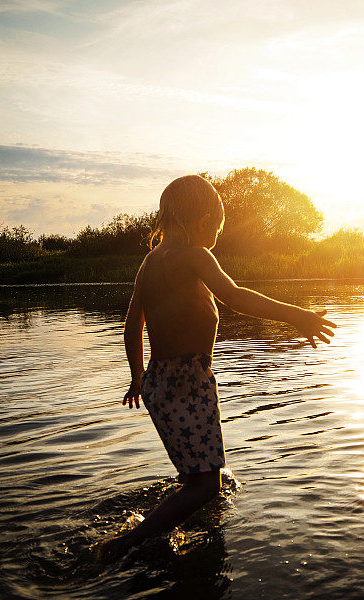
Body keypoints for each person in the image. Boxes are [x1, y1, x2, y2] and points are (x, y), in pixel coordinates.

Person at [94, 175, 337, 560]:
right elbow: (235, 295)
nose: (217, 237)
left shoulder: (150, 261)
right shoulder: (196, 256)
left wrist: (137, 376)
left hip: (157, 382)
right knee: (207, 485)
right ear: (205, 219)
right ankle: (126, 545)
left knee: (194, 477)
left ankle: (184, 540)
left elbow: (132, 322)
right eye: (218, 228)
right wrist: (298, 316)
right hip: (189, 380)